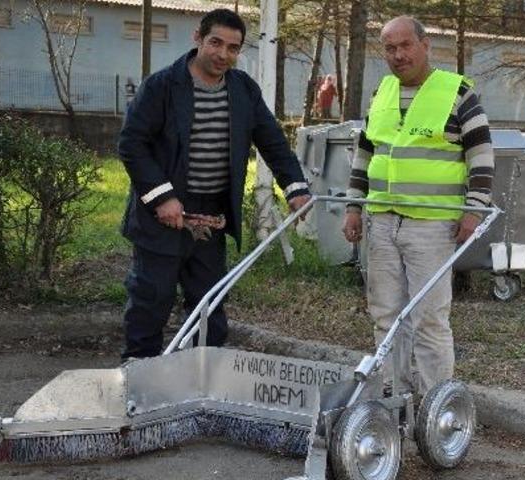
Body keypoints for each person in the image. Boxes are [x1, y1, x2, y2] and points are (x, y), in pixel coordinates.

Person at [118, 8, 310, 360]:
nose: (223, 54)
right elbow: (132, 144)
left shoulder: (243, 90)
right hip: (162, 215)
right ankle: (137, 378)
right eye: (216, 43)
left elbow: (273, 142)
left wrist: (296, 189)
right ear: (198, 39)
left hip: (211, 219)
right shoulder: (160, 86)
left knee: (209, 303)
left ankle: (202, 379)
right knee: (151, 299)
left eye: (233, 48)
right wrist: (163, 199)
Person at [341, 16, 494, 396]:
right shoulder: (382, 93)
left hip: (431, 224)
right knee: (386, 315)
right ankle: (393, 396)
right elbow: (366, 153)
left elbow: (482, 155)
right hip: (382, 221)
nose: (397, 55)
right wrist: (353, 206)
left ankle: (435, 404)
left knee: (428, 318)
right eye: (389, 48)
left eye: (405, 45)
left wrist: (474, 209)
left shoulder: (457, 93)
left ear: (426, 46)